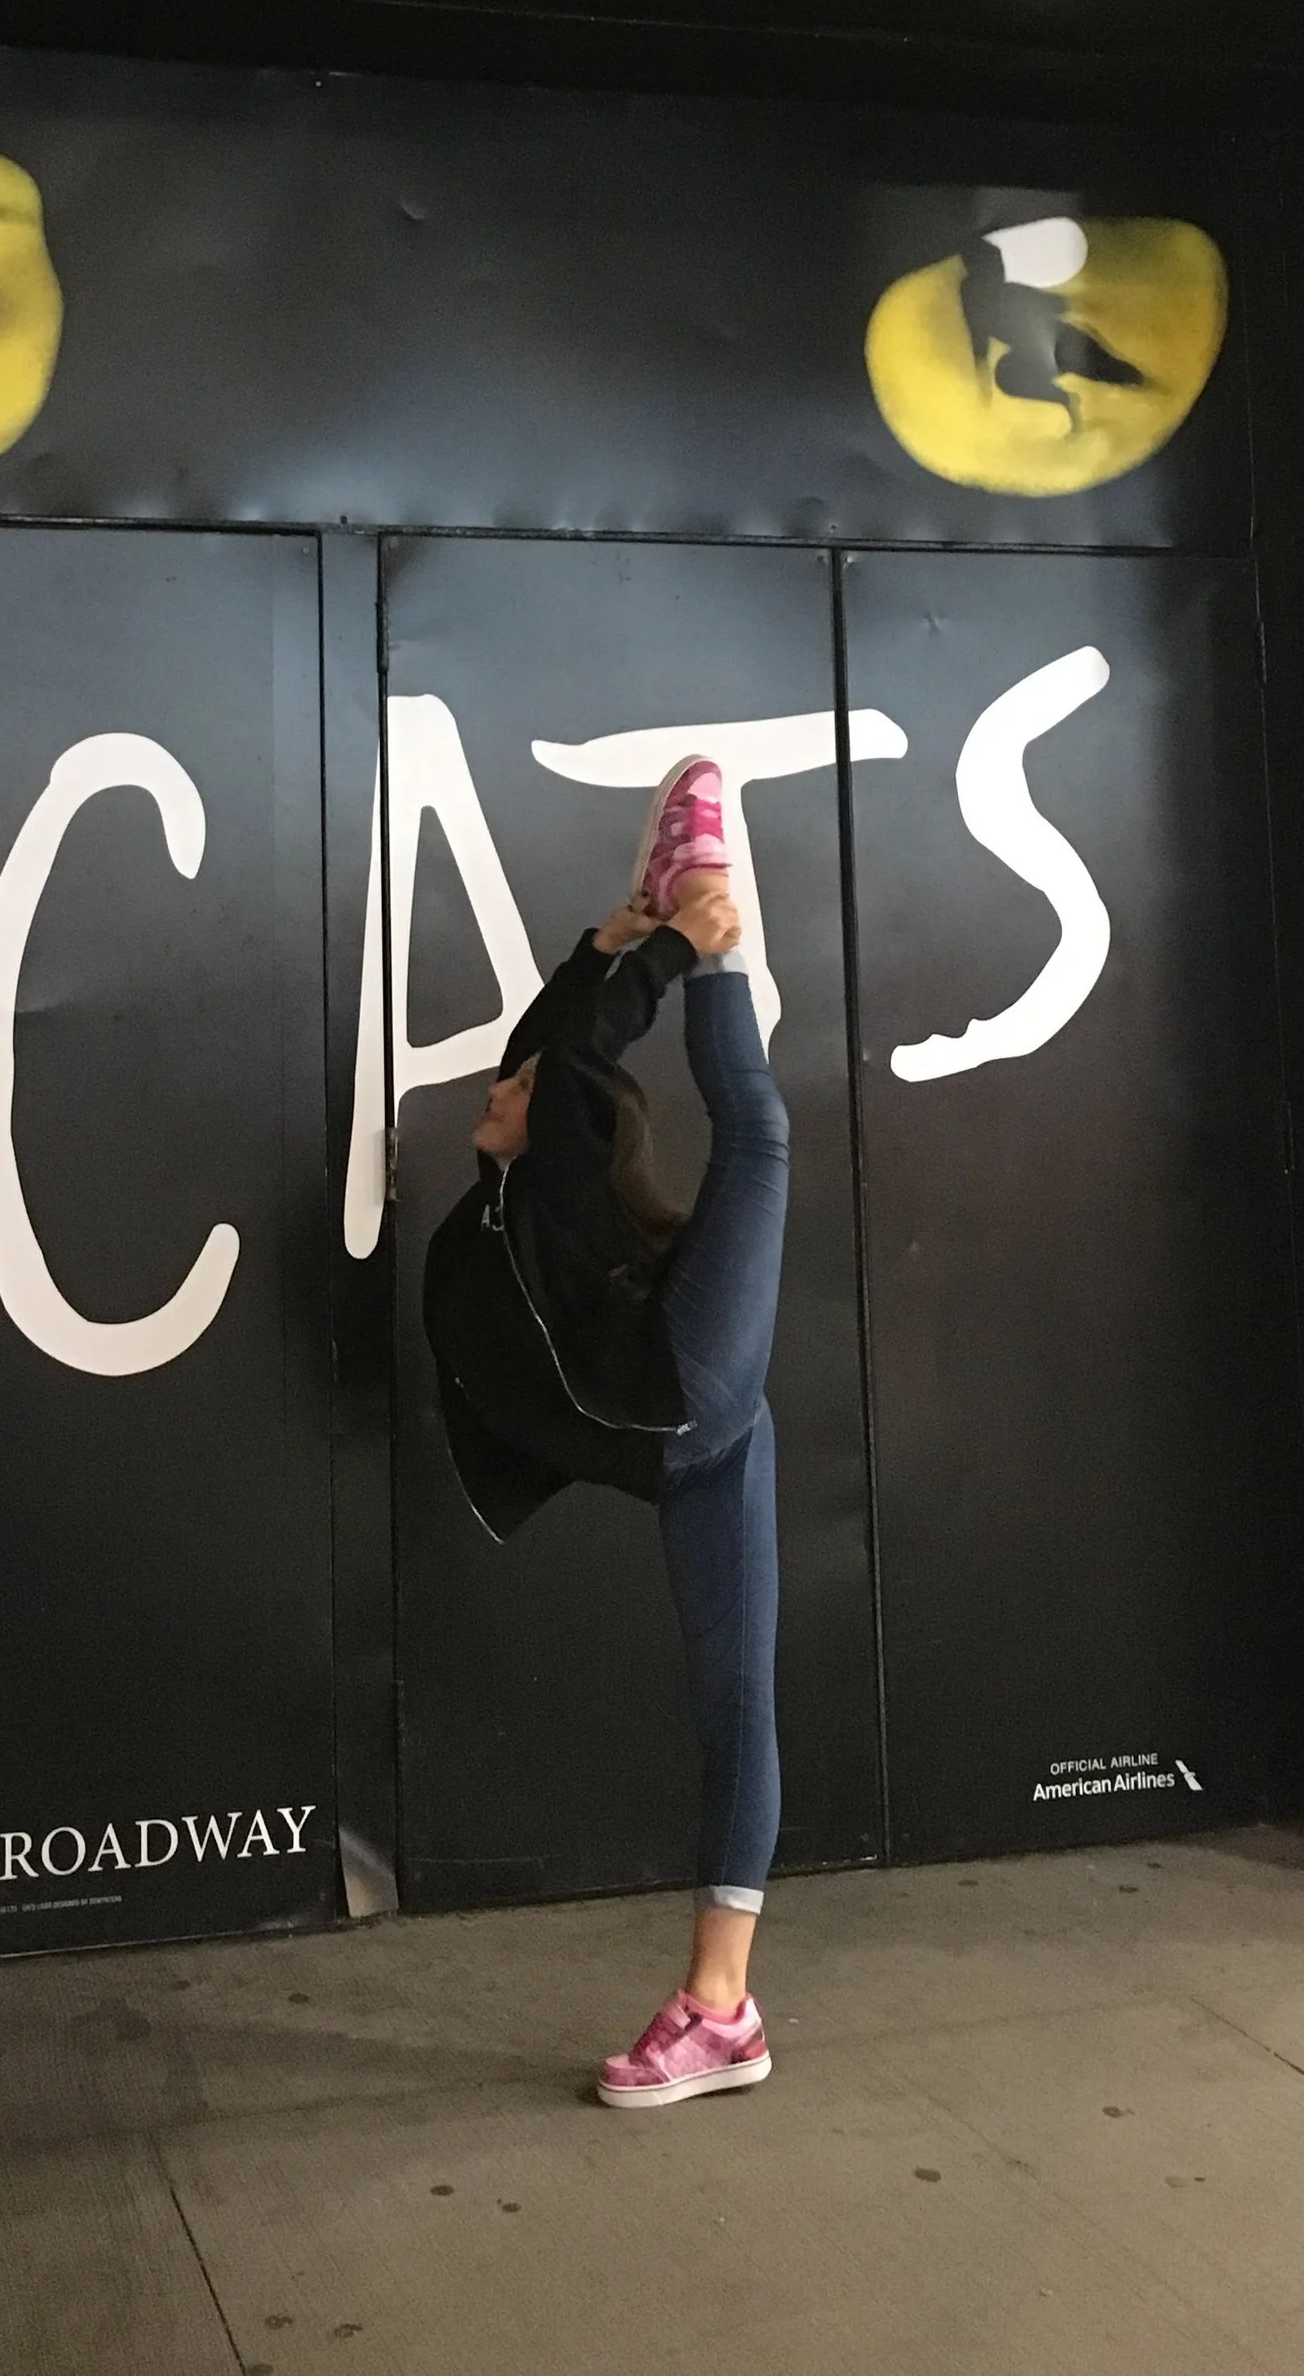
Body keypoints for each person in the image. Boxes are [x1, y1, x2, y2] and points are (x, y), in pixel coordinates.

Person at [420, 756, 791, 2110]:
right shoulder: (497, 1219)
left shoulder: (542, 1184)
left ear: (557, 1130)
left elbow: (563, 1056)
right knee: (732, 1702)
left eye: (521, 1088)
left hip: (690, 1378)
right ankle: (726, 2013)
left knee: (756, 1134)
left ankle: (724, 950)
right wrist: (600, 944)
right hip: (690, 1446)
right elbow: (552, 1043)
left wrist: (681, 944)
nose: (503, 1083)